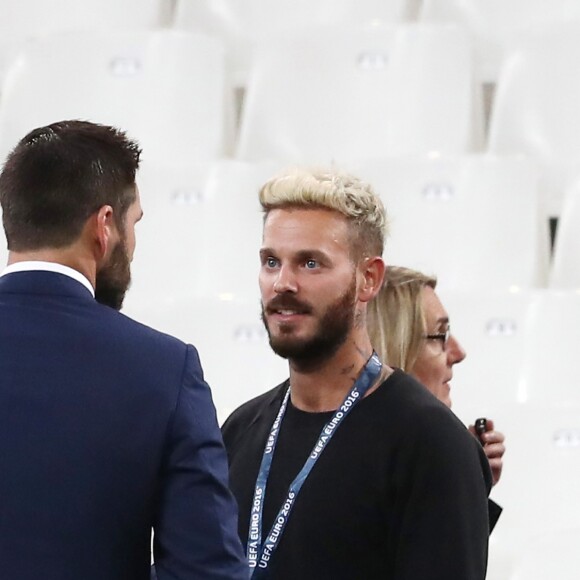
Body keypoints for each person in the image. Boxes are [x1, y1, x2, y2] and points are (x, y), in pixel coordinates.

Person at [0, 120, 247, 580]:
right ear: (105, 226)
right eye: (134, 224)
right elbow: (207, 569)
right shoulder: (164, 369)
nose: (132, 246)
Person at [221, 167, 492, 579]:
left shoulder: (432, 443)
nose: (282, 283)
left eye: (310, 263)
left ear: (368, 279)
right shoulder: (240, 430)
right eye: (271, 262)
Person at [367, 265, 506, 530]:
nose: (459, 352)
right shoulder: (351, 465)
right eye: (440, 336)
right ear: (395, 345)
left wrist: (466, 482)